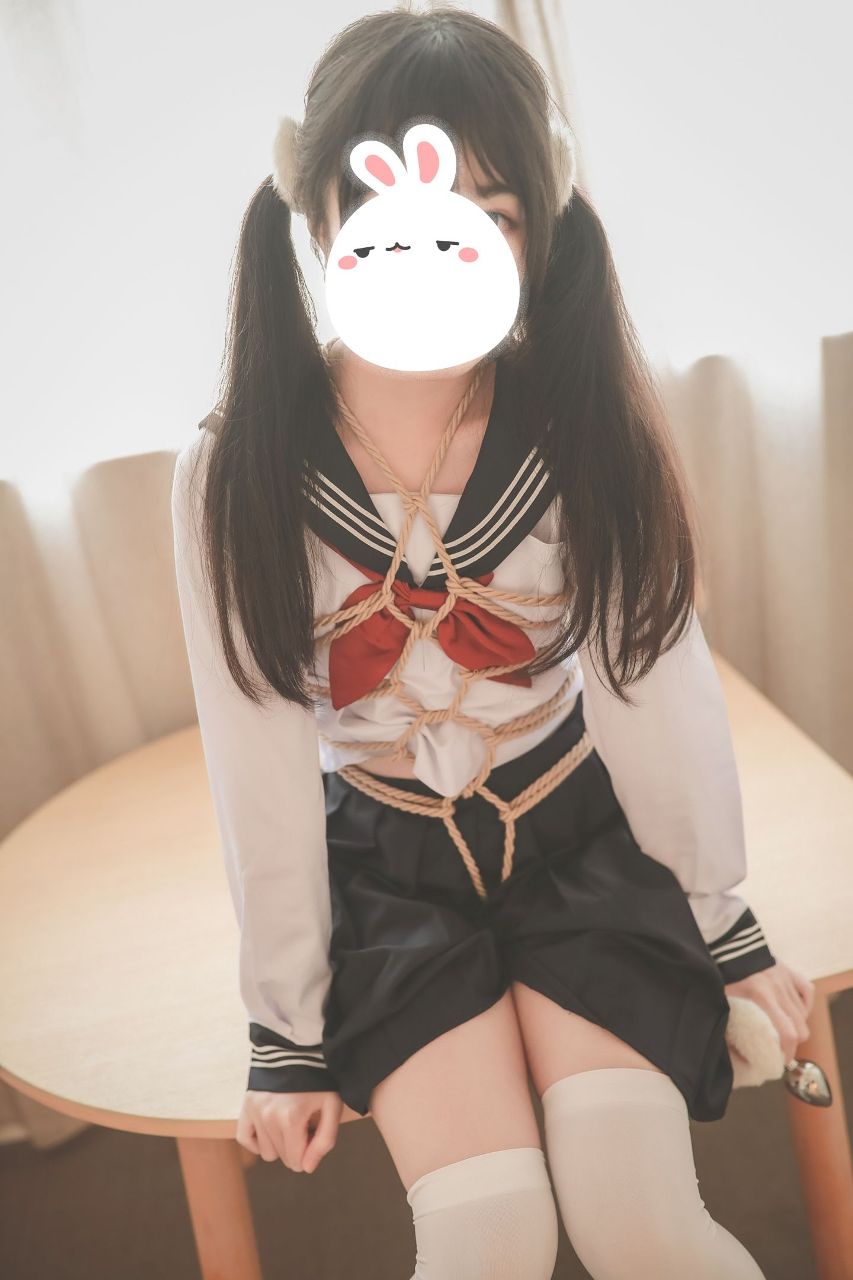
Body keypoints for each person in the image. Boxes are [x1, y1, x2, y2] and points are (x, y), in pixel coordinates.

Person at [171, 8, 813, 1277]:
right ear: (316, 213)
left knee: (641, 1222)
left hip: (577, 839)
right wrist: (284, 1024)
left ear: (539, 224)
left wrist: (719, 916)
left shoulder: (579, 417)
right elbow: (254, 756)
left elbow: (650, 675)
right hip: (388, 878)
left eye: (494, 212)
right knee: (490, 1235)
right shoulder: (232, 466)